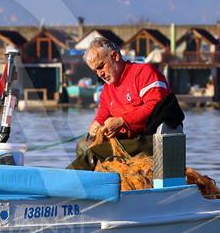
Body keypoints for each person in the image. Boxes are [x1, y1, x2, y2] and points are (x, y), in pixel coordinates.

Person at [68, 37, 184, 170]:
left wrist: (122, 121)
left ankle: (63, 184)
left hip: (150, 139)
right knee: (83, 145)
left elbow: (156, 106)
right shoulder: (107, 89)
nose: (100, 74)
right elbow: (102, 115)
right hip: (128, 141)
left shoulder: (144, 72)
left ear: (115, 56)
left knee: (93, 154)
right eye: (95, 71)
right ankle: (94, 186)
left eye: (101, 66)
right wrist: (95, 125)